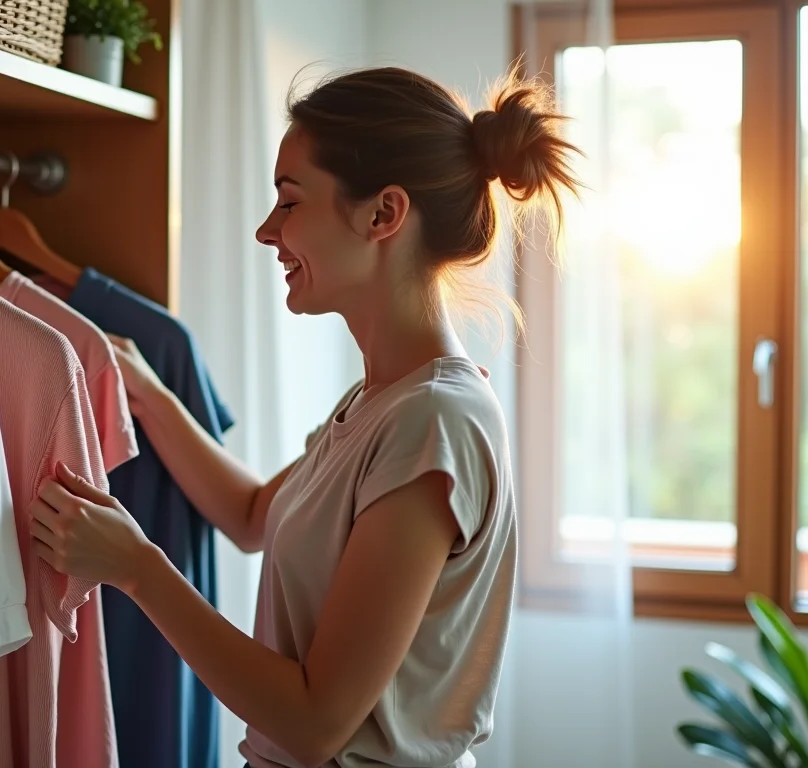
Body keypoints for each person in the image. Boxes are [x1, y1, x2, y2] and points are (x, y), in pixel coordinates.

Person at [29, 66, 580, 768]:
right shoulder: (382, 402)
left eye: (289, 202)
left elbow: (317, 720)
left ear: (384, 215)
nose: (267, 231)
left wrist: (136, 568)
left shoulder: (433, 421)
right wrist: (146, 390)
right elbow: (254, 513)